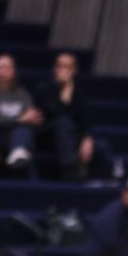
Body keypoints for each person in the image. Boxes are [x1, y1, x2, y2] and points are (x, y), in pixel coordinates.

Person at [0, 53, 41, 173]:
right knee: (20, 128)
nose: (4, 70)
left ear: (14, 71)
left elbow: (30, 115)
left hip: (20, 134)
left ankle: (18, 153)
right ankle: (17, 151)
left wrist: (34, 118)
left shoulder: (23, 94)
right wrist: (20, 119)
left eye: (8, 67)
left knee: (24, 130)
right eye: (1, 67)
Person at [35, 52, 95, 181]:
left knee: (102, 147)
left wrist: (87, 138)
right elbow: (55, 113)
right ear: (55, 69)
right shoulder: (44, 89)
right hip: (47, 134)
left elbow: (84, 120)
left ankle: (104, 182)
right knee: (63, 123)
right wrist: (66, 89)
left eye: (68, 67)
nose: (63, 70)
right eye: (60, 66)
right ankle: (69, 168)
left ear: (74, 70)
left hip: (73, 135)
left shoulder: (80, 93)